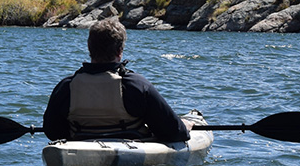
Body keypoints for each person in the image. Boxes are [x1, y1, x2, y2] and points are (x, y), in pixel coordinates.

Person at [42, 17, 191, 142]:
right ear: (120, 51)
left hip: (83, 151)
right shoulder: (136, 85)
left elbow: (52, 132)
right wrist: (185, 125)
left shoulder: (66, 87)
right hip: (131, 160)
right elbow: (175, 133)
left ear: (89, 48)